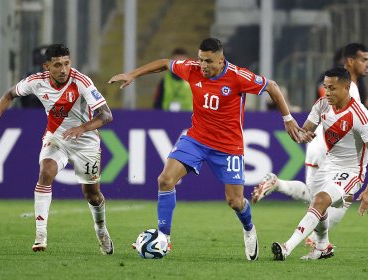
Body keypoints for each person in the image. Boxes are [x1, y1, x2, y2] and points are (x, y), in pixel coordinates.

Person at [109, 37, 303, 260]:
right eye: (201, 59)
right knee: (165, 180)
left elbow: (272, 86)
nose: (203, 65)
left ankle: (249, 228)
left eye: (208, 61)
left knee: (235, 202)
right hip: (196, 140)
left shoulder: (238, 77)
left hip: (228, 147)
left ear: (221, 61)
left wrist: (288, 119)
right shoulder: (192, 69)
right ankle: (163, 238)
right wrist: (132, 74)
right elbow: (164, 63)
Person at [0, 44, 114, 254]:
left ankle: (101, 229)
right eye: (58, 65)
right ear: (47, 66)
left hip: (86, 141)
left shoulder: (81, 82)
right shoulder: (36, 82)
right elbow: (9, 95)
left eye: (67, 64)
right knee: (46, 172)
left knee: (92, 195)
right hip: (57, 138)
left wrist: (82, 127)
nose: (63, 69)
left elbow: (106, 115)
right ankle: (40, 235)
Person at [251, 42, 368, 246]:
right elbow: (345, 119)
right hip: (334, 149)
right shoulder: (351, 90)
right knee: (335, 201)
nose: (367, 64)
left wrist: (301, 130)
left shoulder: (344, 86)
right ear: (351, 61)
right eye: (364, 59)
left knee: (316, 196)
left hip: (318, 145)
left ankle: (279, 185)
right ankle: (317, 241)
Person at [272, 67, 368, 261]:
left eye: (332, 88)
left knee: (320, 201)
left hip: (351, 171)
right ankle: (323, 247)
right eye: (325, 87)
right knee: (318, 206)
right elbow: (304, 132)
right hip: (327, 165)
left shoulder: (360, 115)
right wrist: (300, 133)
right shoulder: (322, 104)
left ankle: (286, 248)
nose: (327, 92)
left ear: (347, 87)